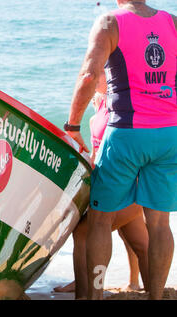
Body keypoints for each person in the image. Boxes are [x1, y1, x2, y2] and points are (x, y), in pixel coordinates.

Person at [65, 0, 176, 300]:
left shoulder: (109, 23)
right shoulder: (172, 22)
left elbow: (90, 74)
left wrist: (74, 124)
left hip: (127, 132)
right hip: (169, 133)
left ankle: (96, 295)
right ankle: (156, 297)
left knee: (100, 220)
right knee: (160, 223)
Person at [55, 74, 149, 299]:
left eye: (102, 73)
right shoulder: (100, 109)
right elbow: (97, 153)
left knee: (84, 232)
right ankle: (148, 289)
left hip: (129, 187)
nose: (96, 77)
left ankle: (84, 292)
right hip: (111, 184)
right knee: (139, 243)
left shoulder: (123, 107)